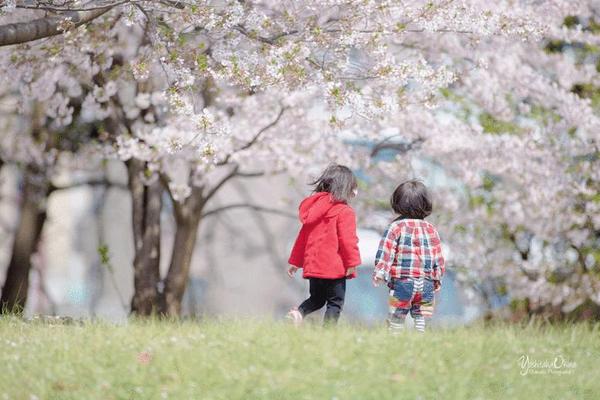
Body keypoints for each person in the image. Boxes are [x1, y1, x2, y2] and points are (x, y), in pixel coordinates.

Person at [286, 164, 361, 326]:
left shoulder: (313, 210)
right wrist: (352, 263)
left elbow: (302, 238)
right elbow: (348, 240)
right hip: (334, 268)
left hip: (313, 268)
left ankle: (299, 313)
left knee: (317, 299)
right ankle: (328, 333)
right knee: (335, 303)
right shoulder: (345, 211)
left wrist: (295, 262)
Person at [373, 180, 445, 333]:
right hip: (426, 283)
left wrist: (380, 272)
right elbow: (437, 256)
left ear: (397, 202)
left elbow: (386, 252)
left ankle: (395, 340)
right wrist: (437, 278)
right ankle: (420, 340)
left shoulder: (395, 227)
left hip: (402, 282)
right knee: (422, 317)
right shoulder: (431, 229)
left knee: (397, 316)